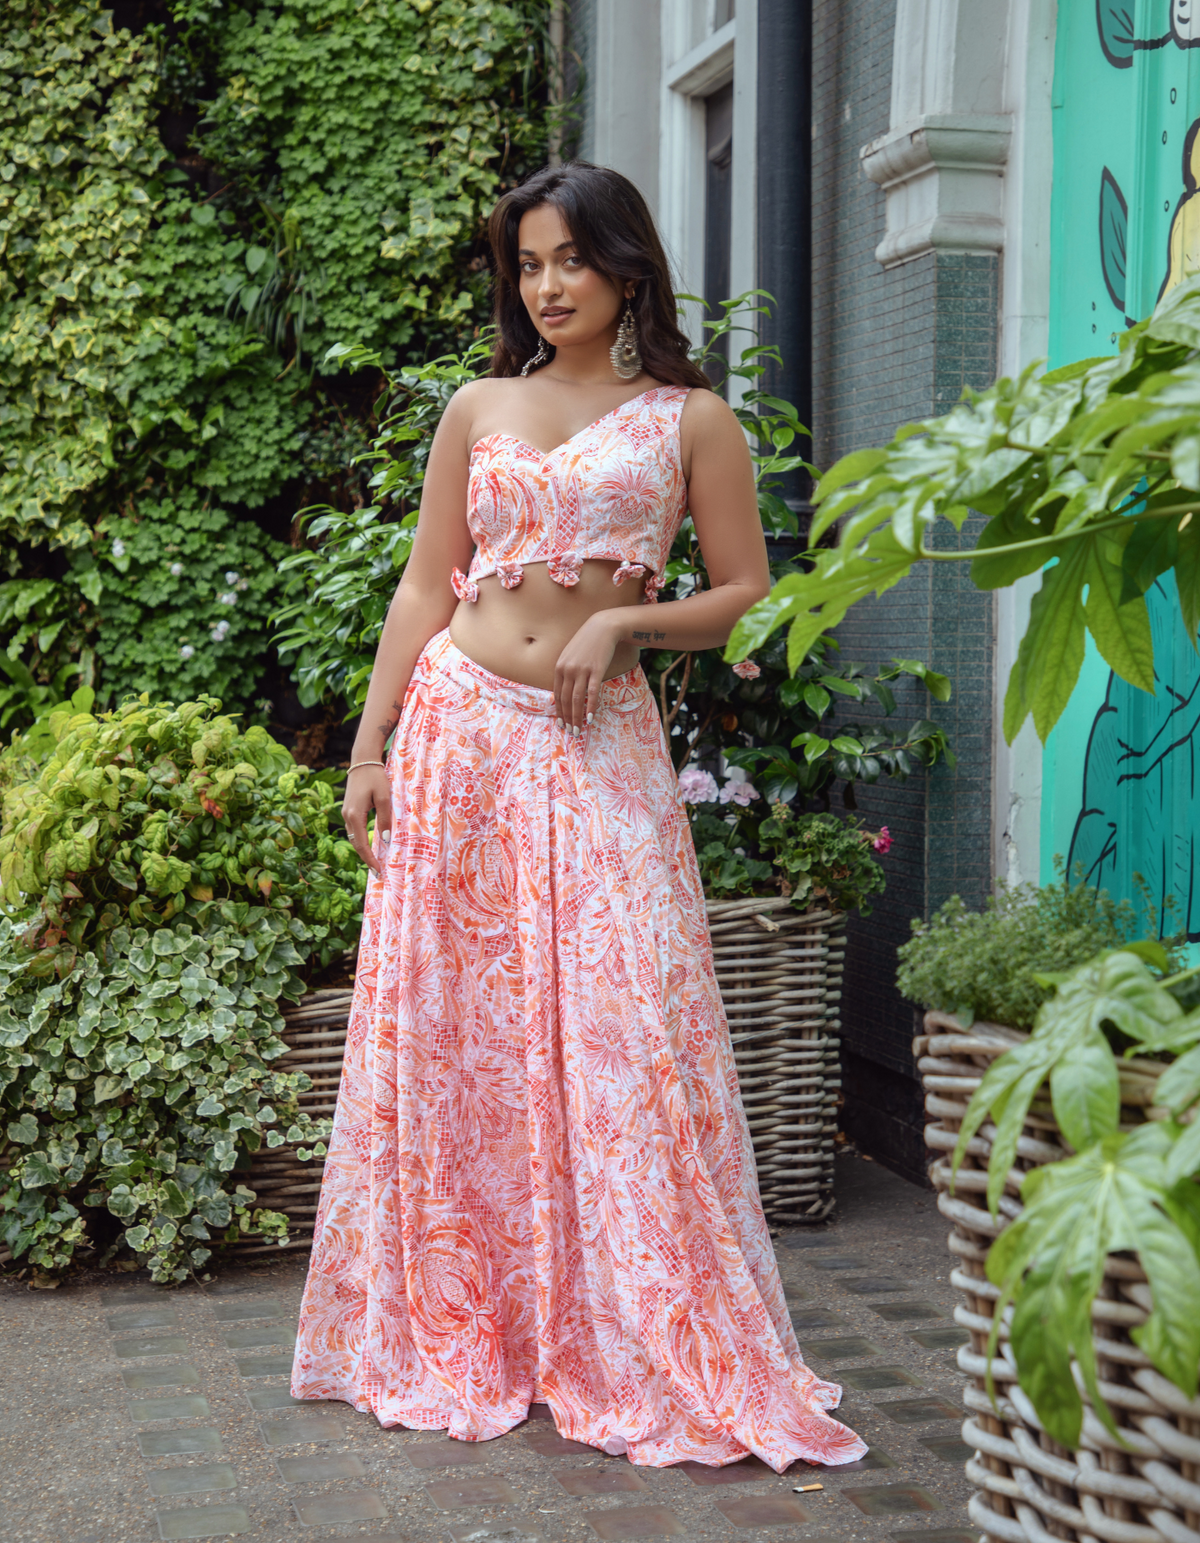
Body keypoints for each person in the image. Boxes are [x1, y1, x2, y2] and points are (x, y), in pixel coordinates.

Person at [290, 161, 866, 1472]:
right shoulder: (478, 404)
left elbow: (748, 598)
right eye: (527, 266)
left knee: (625, 1029)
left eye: (569, 261)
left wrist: (624, 619)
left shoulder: (690, 421)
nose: (546, 287)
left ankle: (630, 1325)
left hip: (594, 751)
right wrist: (369, 748)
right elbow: (420, 585)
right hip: (458, 742)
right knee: (461, 1036)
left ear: (625, 266)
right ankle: (471, 1316)